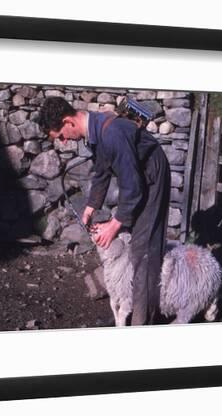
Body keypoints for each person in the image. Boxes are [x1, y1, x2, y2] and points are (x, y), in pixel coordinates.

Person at [38, 97, 171, 325]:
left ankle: (143, 323)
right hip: (139, 175)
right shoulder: (96, 131)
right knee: (134, 244)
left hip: (152, 175)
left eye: (60, 135)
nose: (62, 141)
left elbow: (133, 186)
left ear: (68, 121)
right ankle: (131, 308)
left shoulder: (111, 134)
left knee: (144, 250)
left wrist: (115, 224)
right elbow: (102, 171)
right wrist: (91, 206)